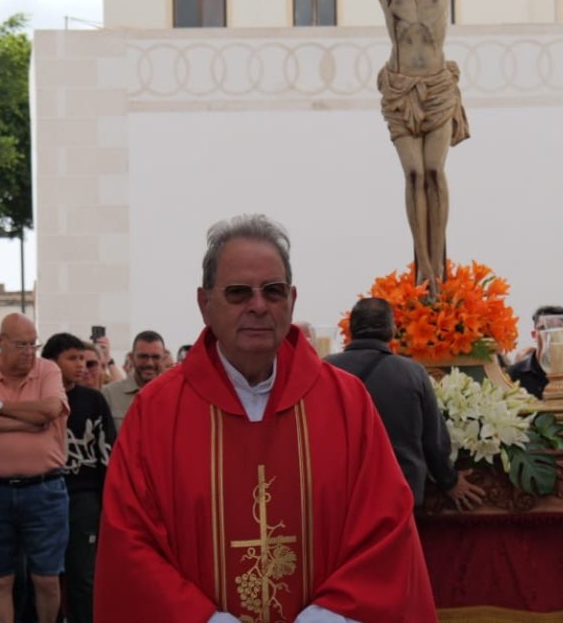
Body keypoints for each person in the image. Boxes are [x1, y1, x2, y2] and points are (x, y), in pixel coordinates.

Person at [95, 213, 435, 622]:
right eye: (239, 293)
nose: (258, 306)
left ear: (291, 301)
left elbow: (388, 528)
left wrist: (327, 616)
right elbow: (130, 543)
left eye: (272, 292)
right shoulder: (156, 412)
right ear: (205, 303)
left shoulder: (346, 403)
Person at [282, 0, 549, 292]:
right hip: (401, 89)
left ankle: (438, 268)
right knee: (411, 174)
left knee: (433, 171)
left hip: (438, 88)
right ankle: (423, 265)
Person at [326, 298, 484, 510]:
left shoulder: (325, 370)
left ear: (350, 330)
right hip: (397, 496)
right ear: (392, 330)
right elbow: (433, 440)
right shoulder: (412, 373)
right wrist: (449, 480)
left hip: (340, 495)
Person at [0, 313, 69, 623]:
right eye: (21, 345)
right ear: (0, 343)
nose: (28, 353)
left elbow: (50, 410)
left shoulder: (47, 369)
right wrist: (31, 420)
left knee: (47, 579)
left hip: (45, 489)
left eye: (32, 345)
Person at [42, 332, 115, 623]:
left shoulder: (93, 400)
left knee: (83, 576)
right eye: (72, 359)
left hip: (84, 498)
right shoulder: (38, 399)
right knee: (44, 576)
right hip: (44, 494)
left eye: (83, 359)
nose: (81, 366)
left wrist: (107, 501)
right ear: (50, 363)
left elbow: (108, 453)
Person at [507, 306, 563, 404]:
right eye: (544, 328)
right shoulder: (514, 374)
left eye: (558, 328)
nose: (551, 335)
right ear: (534, 334)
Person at [101, 329, 167, 431]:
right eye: (143, 357)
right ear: (131, 358)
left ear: (164, 359)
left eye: (155, 357)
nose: (149, 363)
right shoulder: (109, 394)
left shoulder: (175, 394)